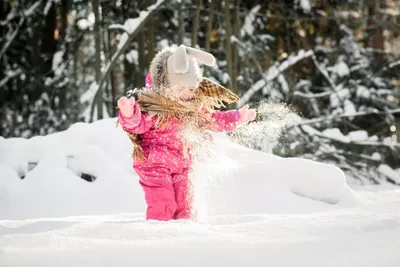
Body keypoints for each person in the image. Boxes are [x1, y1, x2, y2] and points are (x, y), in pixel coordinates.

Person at [117, 44, 256, 221]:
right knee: (164, 204)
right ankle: (159, 238)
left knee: (186, 207)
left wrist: (238, 117)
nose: (185, 94)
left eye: (190, 89)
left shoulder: (194, 109)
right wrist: (129, 113)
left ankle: (185, 240)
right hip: (154, 165)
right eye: (179, 88)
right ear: (166, 85)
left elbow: (215, 119)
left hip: (182, 164)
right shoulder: (155, 107)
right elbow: (137, 125)